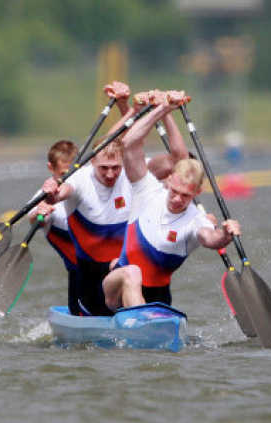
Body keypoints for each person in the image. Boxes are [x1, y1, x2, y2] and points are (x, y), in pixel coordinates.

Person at [102, 92, 241, 311]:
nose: (177, 199)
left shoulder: (196, 220)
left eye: (185, 195)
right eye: (174, 191)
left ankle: (143, 323)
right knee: (132, 271)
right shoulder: (147, 190)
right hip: (116, 291)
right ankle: (139, 322)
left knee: (135, 275)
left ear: (197, 192)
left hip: (158, 299)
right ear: (169, 180)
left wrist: (226, 234)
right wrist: (163, 109)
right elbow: (128, 143)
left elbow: (211, 239)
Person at [40, 84, 136, 316]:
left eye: (115, 168)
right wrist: (50, 197)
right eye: (105, 168)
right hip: (81, 265)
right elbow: (56, 196)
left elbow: (120, 136)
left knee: (128, 272)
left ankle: (137, 320)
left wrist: (127, 104)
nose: (111, 173)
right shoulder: (75, 181)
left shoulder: (106, 164)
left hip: (116, 263)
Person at [29, 140, 80, 314]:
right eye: (64, 174)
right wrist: (39, 213)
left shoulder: (84, 186)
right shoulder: (42, 196)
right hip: (78, 274)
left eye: (74, 172)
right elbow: (34, 220)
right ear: (51, 168)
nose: (70, 179)